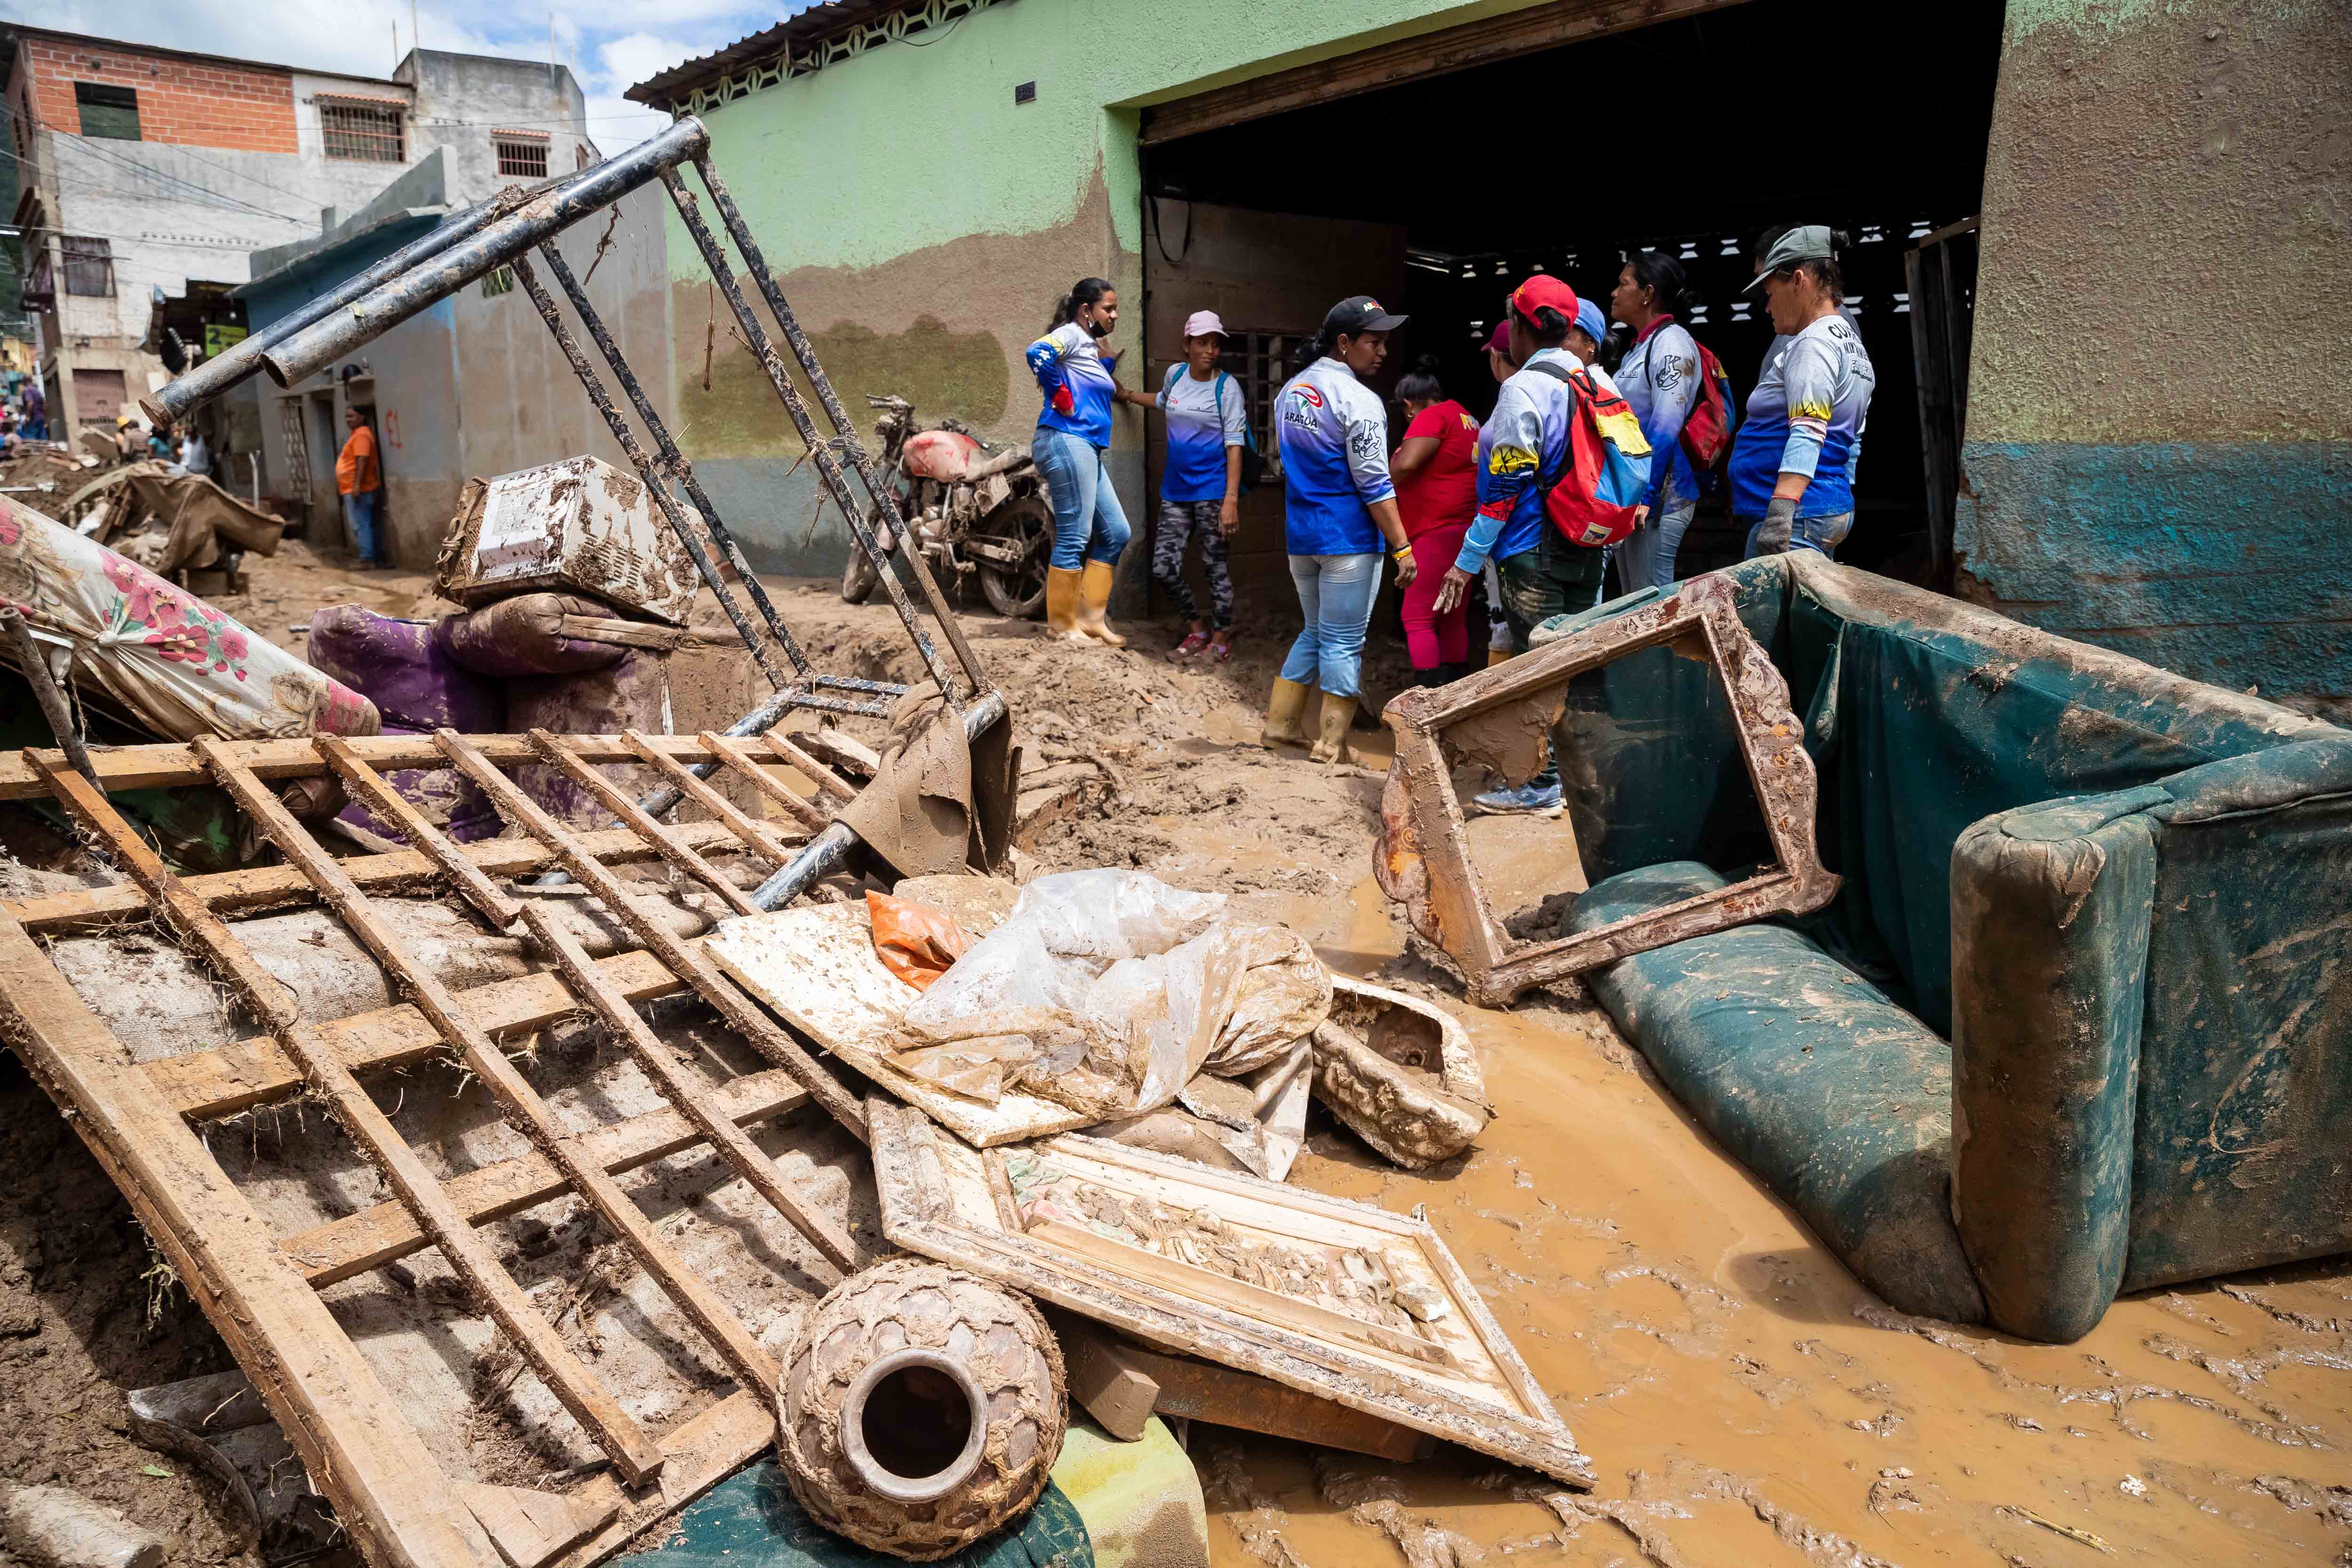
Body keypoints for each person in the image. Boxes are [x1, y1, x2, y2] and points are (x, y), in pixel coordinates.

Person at [1430, 275, 1618, 817]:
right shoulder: (1597, 383)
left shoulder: (1522, 390)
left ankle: (1540, 786)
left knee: (1539, 670)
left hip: (1531, 550)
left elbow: (1503, 492)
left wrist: (1464, 565)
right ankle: (1579, 781)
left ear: (1519, 328)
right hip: (1586, 545)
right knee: (1574, 662)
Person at [1260, 295, 1418, 764]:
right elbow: (1373, 481)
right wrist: (1402, 545)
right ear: (1344, 342)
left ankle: (1280, 728)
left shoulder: (1288, 393)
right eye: (1374, 341)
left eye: (1386, 342)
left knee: (1315, 631)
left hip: (1302, 536)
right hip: (1347, 539)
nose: (1383, 351)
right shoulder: (1360, 401)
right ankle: (1331, 746)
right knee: (1343, 642)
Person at [1732, 227, 1875, 558]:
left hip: (1799, 516)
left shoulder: (1813, 343)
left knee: (1767, 610)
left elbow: (1809, 429)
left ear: (1799, 281)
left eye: (1770, 293)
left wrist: (1781, 514)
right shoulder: (1848, 342)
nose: (1767, 307)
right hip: (1822, 505)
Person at [1026, 277, 1155, 645]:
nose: (1115, 315)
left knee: (1117, 532)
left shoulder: (1087, 346)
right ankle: (1062, 625)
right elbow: (1037, 352)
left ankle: (1090, 618)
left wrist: (1110, 358)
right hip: (1066, 439)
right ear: (1087, 311)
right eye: (1108, 309)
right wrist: (1060, 393)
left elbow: (1096, 377)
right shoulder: (1070, 334)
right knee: (1075, 533)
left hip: (1086, 446)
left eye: (1116, 309)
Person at [1152, 310, 1247, 663]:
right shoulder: (1174, 375)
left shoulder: (1227, 387)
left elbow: (1234, 445)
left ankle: (1220, 641)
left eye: (1215, 344)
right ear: (1187, 345)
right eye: (1203, 343)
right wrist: (1127, 395)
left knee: (1215, 567)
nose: (1210, 350)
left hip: (1212, 492)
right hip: (1175, 492)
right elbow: (1161, 404)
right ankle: (1197, 630)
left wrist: (1231, 501)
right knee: (1164, 567)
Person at [1611, 250, 1703, 587]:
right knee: (1633, 606)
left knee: (1652, 608)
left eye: (1624, 284)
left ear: (1648, 294)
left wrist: (1648, 497)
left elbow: (1665, 427)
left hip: (1661, 499)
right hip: (1635, 494)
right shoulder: (1639, 348)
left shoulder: (1672, 344)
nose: (1614, 292)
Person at [1388, 355, 1479, 687]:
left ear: (1411, 405)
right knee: (1451, 617)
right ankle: (1457, 697)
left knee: (1416, 617)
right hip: (1463, 531)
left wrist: (1382, 485)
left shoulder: (1432, 417)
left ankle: (1428, 703)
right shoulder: (1466, 417)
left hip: (1435, 531)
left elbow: (1408, 463)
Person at [336, 406, 387, 569]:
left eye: (352, 416)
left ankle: (367, 559)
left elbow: (362, 460)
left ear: (362, 417)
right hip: (361, 488)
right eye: (346, 417)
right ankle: (375, 558)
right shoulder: (357, 435)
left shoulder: (362, 436)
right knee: (369, 524)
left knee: (361, 524)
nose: (348, 420)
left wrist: (356, 486)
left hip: (362, 489)